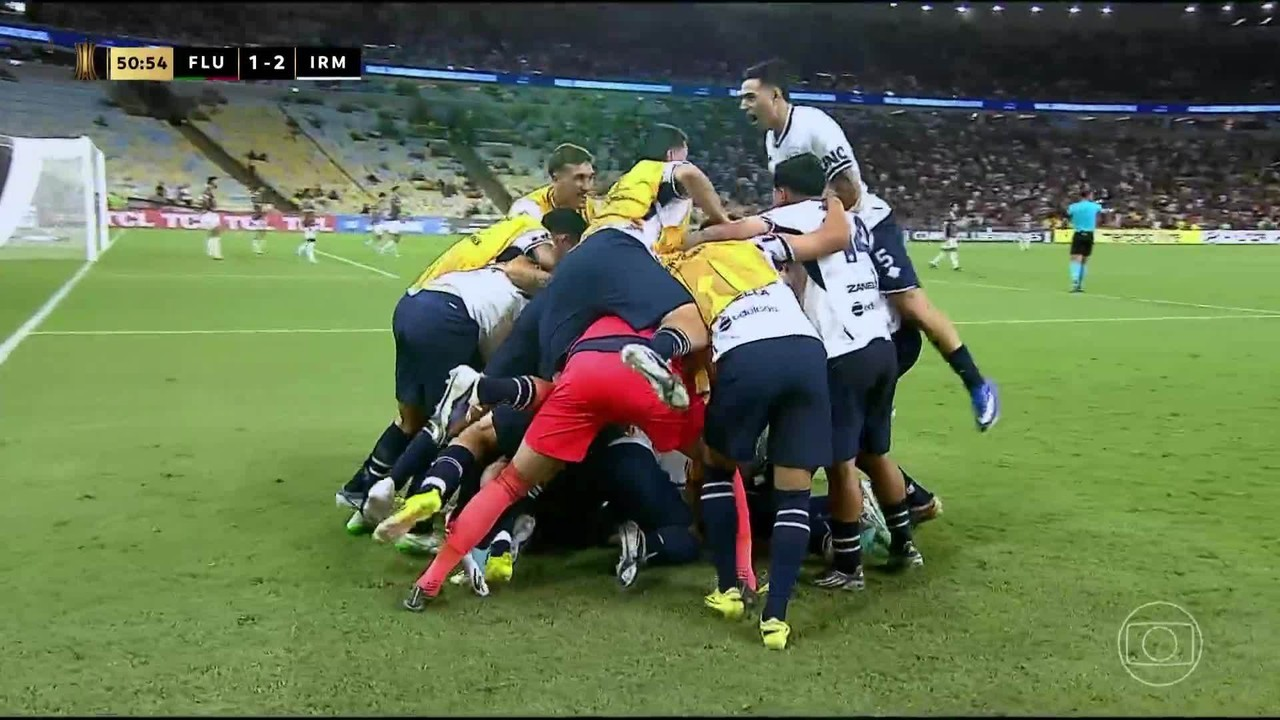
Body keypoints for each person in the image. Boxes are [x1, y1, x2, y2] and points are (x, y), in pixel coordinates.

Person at [736, 59, 999, 432]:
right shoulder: (771, 140)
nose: (743, 105)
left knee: (910, 306)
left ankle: (977, 384)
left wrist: (815, 222)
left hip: (866, 225)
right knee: (831, 315)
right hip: (828, 229)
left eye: (750, 96)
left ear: (774, 94)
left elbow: (850, 189)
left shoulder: (814, 126)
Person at [337, 210, 587, 533]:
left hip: (417, 302)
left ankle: (364, 494)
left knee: (414, 418)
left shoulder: (502, 266)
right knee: (452, 420)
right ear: (563, 241)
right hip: (451, 318)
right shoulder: (534, 276)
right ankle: (417, 525)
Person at [1067, 189, 1105, 293]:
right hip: (1089, 234)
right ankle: (1080, 284)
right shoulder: (1094, 206)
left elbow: (1068, 215)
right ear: (1089, 195)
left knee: (1075, 259)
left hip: (1078, 233)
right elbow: (1101, 211)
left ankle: (1074, 281)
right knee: (1084, 260)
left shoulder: (1073, 207)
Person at [930, 204, 962, 271]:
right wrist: (945, 236)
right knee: (953, 251)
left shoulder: (953, 215)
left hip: (952, 236)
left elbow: (953, 226)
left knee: (945, 252)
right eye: (956, 207)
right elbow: (945, 226)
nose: (957, 208)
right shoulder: (949, 215)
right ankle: (955, 266)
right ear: (952, 208)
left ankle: (934, 262)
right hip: (950, 236)